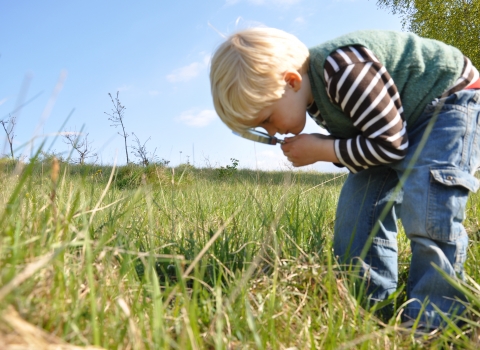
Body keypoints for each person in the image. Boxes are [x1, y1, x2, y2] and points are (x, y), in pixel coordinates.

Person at [209, 27, 480, 329]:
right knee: (357, 209)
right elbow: (371, 143)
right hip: (394, 129)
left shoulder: (342, 71)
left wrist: (323, 150)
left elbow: (390, 146)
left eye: (267, 119)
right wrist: (328, 148)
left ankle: (435, 321)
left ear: (291, 81)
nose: (272, 131)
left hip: (447, 102)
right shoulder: (312, 98)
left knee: (428, 207)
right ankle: (367, 309)